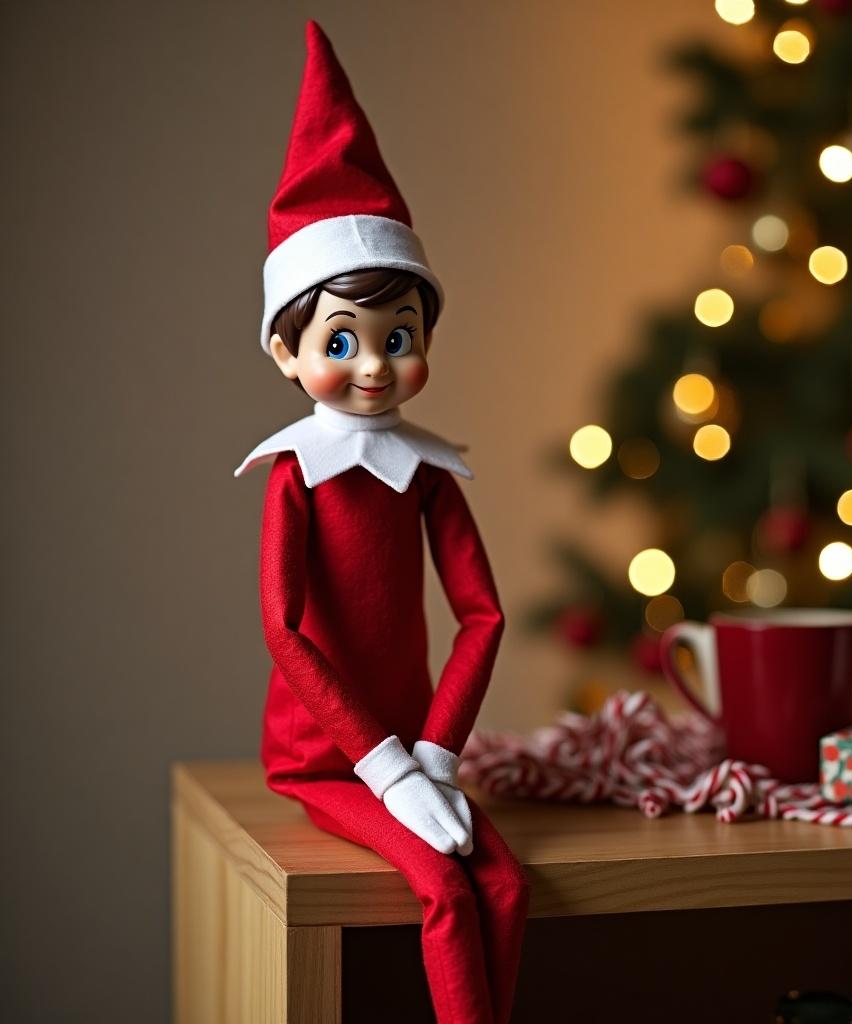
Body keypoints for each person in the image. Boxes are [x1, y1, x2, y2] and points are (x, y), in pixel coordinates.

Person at [235, 22, 530, 1024]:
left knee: (506, 883)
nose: (373, 365)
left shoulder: (428, 472)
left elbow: (483, 614)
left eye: (398, 337)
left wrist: (439, 756)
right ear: (286, 352)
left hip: (418, 749)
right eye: (343, 339)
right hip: (329, 754)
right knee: (445, 890)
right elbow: (288, 630)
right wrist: (387, 768)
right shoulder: (295, 475)